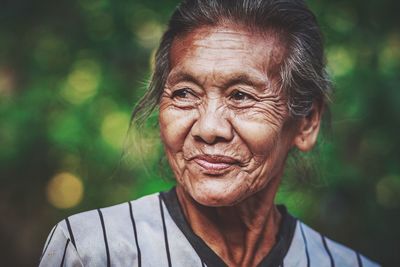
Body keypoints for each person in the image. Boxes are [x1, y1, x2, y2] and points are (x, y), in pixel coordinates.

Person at [39, 0, 380, 266]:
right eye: (185, 93)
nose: (208, 128)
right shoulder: (92, 250)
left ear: (306, 122)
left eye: (242, 96)